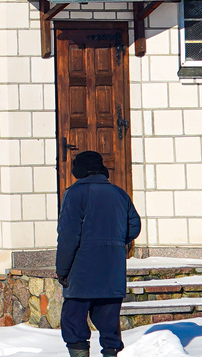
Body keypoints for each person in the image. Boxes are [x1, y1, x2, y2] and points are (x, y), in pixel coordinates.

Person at [55, 150, 141, 357]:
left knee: (73, 322)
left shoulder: (74, 194)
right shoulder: (120, 194)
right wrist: (115, 244)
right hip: (112, 271)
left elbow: (68, 236)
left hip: (81, 271)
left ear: (80, 171)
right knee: (109, 324)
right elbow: (134, 226)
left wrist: (62, 270)